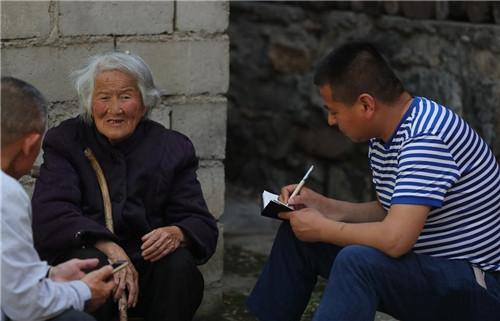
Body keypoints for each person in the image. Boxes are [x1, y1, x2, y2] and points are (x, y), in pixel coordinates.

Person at [247, 42, 500, 321]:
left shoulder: (426, 139)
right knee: (298, 235)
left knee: (357, 262)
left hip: (478, 286)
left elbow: (395, 239)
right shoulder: (386, 135)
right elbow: (389, 210)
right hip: (429, 269)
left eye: (334, 111)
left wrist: (325, 228)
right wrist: (321, 205)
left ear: (366, 104)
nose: (331, 121)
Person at [30, 51, 218, 321]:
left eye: (126, 97)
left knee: (178, 266)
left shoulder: (172, 147)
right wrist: (110, 248)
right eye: (104, 97)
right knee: (95, 268)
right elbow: (51, 214)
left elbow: (200, 222)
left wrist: (177, 232)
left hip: (148, 264)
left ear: (144, 103)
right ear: (89, 102)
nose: (115, 109)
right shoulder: (66, 141)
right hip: (88, 254)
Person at [1, 76, 115, 321]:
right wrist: (84, 291)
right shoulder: (6, 192)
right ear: (30, 144)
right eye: (104, 98)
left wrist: (48, 275)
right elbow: (26, 305)